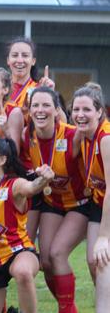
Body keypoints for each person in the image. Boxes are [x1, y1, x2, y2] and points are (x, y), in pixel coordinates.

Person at [22, 86, 88, 312]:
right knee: (47, 262)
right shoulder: (27, 135)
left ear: (57, 110)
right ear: (29, 111)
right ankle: (68, 307)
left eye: (46, 105)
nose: (40, 110)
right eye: (35, 106)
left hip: (81, 204)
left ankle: (67, 309)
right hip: (53, 203)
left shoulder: (72, 134)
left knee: (57, 253)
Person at [0, 137, 54, 313]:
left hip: (17, 251)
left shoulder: (14, 184)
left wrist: (44, 179)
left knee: (23, 272)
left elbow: (32, 187)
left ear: (2, 160)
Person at [70, 83, 110, 311]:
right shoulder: (83, 134)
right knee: (94, 262)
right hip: (98, 201)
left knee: (103, 260)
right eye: (76, 110)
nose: (80, 115)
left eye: (86, 110)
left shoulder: (106, 138)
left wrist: (104, 236)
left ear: (99, 112)